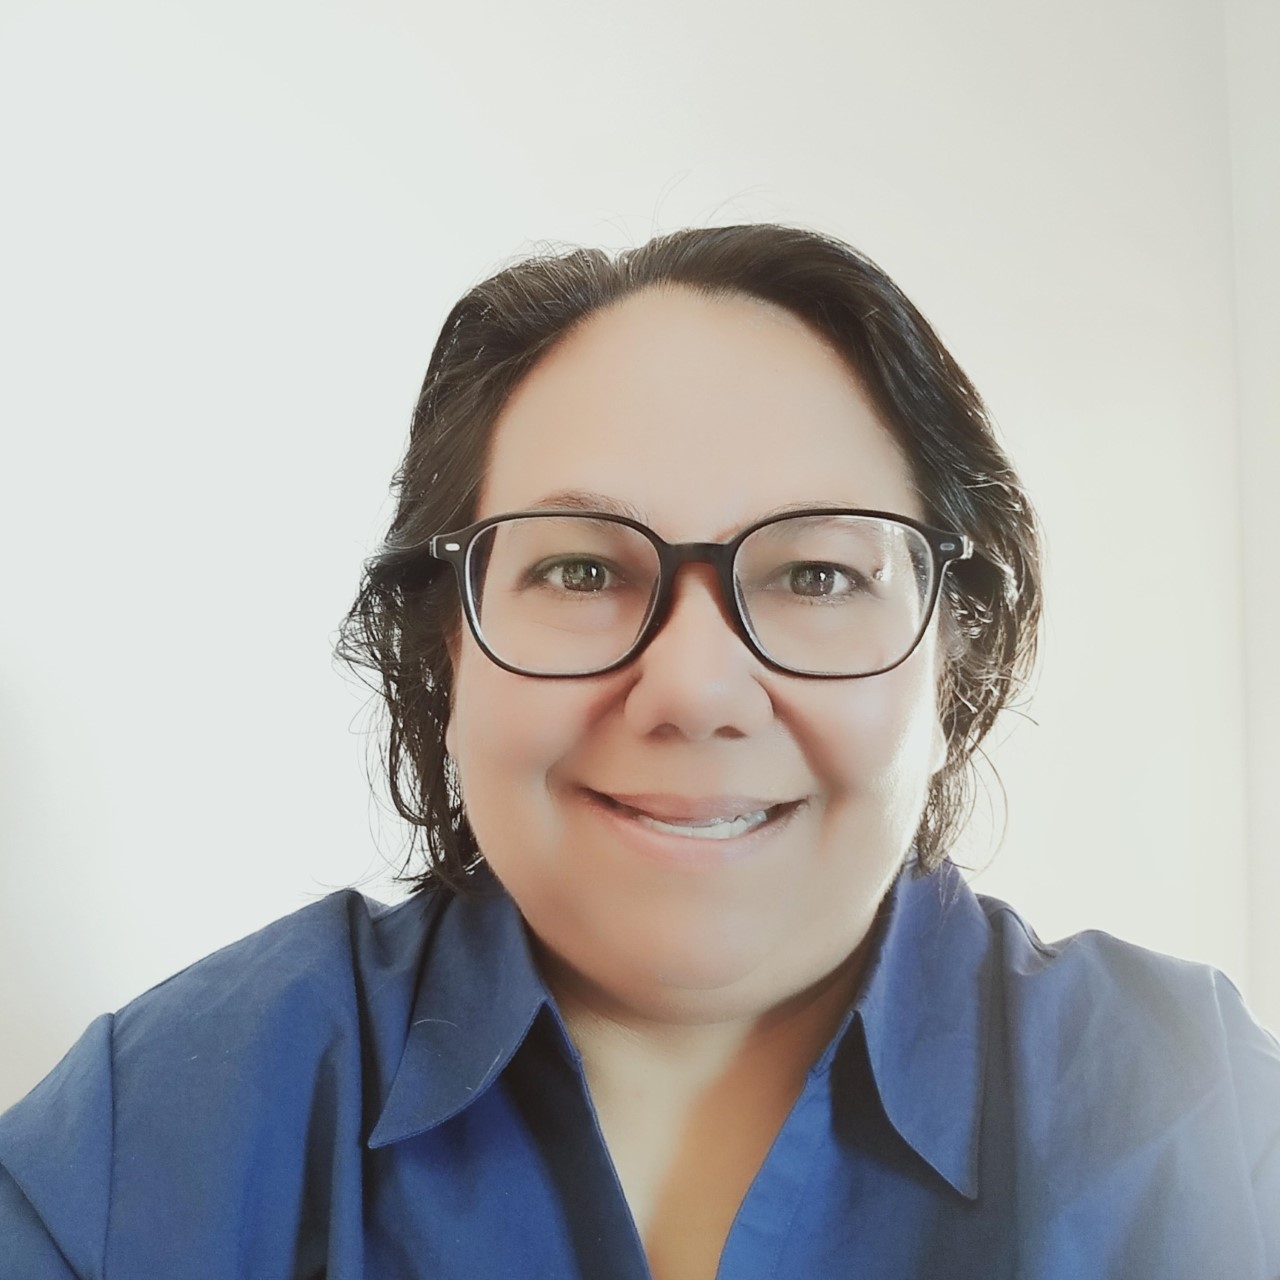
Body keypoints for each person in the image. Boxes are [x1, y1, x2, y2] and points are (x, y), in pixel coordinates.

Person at [1, 224, 1276, 1279]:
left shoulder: (1198, 1117)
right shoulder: (153, 1131)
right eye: (578, 569)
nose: (693, 688)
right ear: (444, 647)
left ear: (954, 658)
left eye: (817, 574)